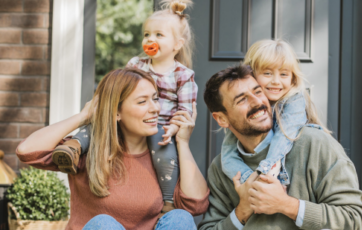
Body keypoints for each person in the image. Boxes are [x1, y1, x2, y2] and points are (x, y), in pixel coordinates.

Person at [51, 0, 197, 216]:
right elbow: (119, 86)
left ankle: (167, 202)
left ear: (177, 45)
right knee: (99, 124)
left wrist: (174, 130)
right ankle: (73, 148)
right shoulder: (136, 65)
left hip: (161, 127)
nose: (150, 39)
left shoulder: (183, 75)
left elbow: (184, 111)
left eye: (159, 35)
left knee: (166, 157)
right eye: (147, 34)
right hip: (130, 120)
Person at [16, 68, 209, 230]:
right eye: (142, 102)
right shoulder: (86, 151)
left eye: (155, 98)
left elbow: (196, 204)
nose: (155, 108)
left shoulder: (163, 156)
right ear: (116, 112)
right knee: (103, 224)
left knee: (180, 219)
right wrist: (83, 116)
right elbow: (27, 151)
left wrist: (183, 143)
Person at [199, 64, 362, 230]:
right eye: (242, 99)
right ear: (221, 119)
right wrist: (243, 209)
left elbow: (353, 218)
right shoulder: (221, 168)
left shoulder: (314, 143)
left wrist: (286, 205)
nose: (258, 101)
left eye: (258, 91)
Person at [221, 40, 330, 185]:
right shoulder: (247, 109)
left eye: (284, 74)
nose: (276, 81)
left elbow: (284, 136)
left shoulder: (294, 100)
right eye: (267, 73)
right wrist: (251, 181)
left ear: (292, 79)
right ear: (250, 74)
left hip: (286, 169)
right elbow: (227, 155)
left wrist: (265, 171)